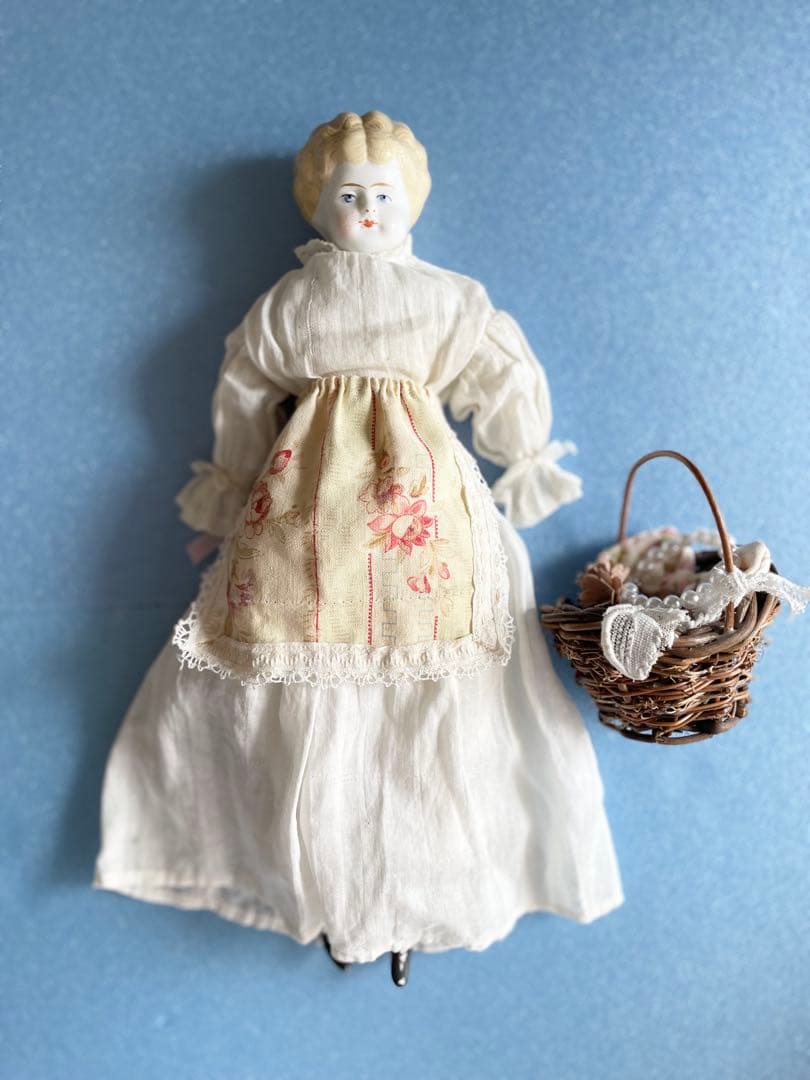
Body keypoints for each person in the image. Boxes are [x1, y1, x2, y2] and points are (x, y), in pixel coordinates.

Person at [93, 110, 623, 987]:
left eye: (383, 194)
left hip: (427, 513)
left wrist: (523, 452)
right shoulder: (291, 304)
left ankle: (415, 894)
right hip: (308, 520)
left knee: (437, 692)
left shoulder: (444, 298)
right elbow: (243, 385)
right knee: (300, 676)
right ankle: (331, 886)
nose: (367, 210)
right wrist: (229, 487)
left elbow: (500, 368)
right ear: (317, 205)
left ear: (412, 201)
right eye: (348, 195)